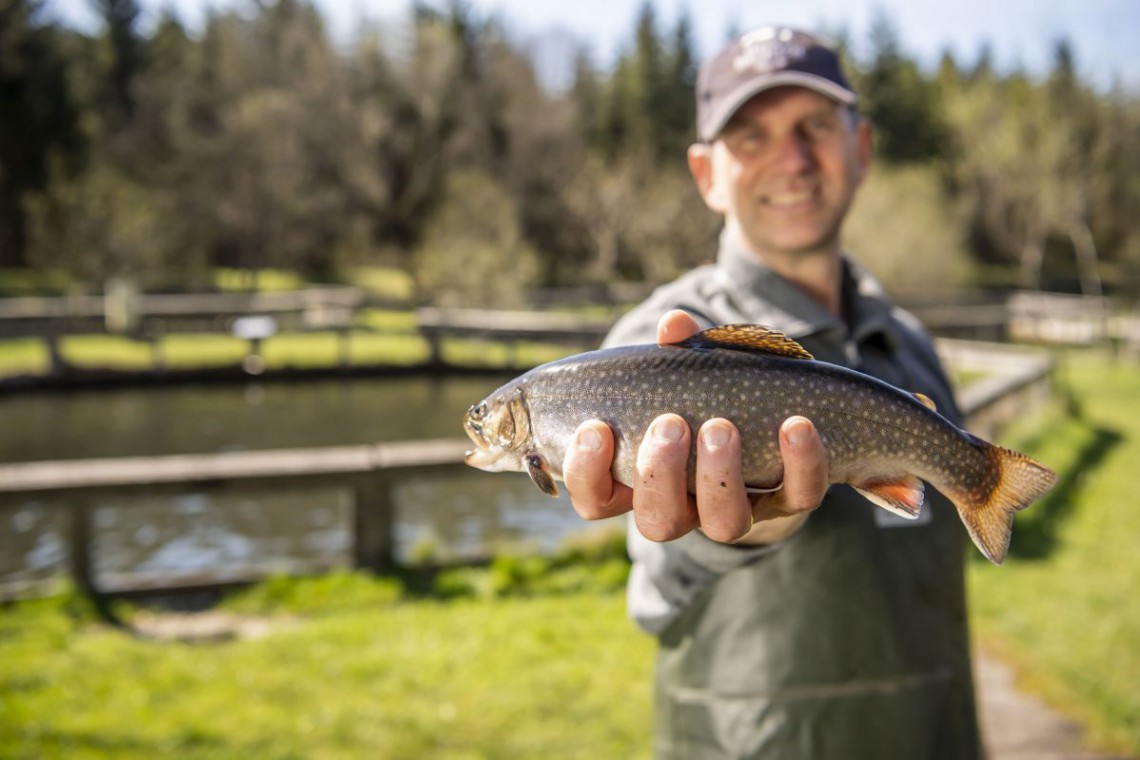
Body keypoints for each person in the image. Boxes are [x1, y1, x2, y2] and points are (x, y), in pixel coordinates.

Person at [561, 26, 983, 759]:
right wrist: (738, 530)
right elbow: (653, 596)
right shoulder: (652, 349)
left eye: (815, 127)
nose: (791, 160)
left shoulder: (911, 344)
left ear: (861, 149)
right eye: (750, 137)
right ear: (706, 174)